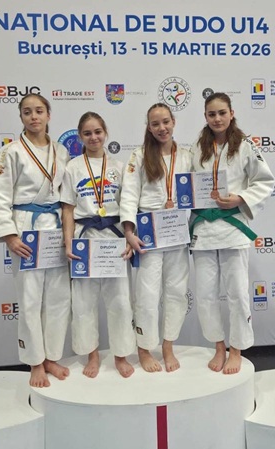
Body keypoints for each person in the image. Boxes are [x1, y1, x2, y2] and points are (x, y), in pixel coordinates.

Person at [190, 92, 274, 374]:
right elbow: (186, 184)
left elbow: (265, 181)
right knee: (205, 294)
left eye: (222, 113)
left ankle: (236, 349)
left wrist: (240, 198)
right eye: (212, 114)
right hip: (204, 229)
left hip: (233, 227)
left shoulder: (246, 146)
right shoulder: (196, 148)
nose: (217, 119)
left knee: (237, 292)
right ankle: (218, 346)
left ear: (231, 113)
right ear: (205, 117)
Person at [0, 93, 71, 387]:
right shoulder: (10, 152)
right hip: (26, 227)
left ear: (48, 114)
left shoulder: (61, 151)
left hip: (55, 227)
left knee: (59, 298)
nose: (34, 116)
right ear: (21, 117)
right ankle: (35, 361)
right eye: (27, 112)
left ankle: (51, 356)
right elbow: (0, 196)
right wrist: (10, 235)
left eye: (39, 111)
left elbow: (66, 196)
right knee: (30, 298)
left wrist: (69, 234)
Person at [62, 111, 136, 378]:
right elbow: (68, 209)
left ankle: (121, 355)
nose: (93, 137)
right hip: (85, 239)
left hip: (115, 237)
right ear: (80, 136)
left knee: (121, 302)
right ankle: (92, 355)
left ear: (105, 133)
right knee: (84, 303)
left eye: (97, 132)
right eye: (87, 133)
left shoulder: (119, 166)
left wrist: (130, 235)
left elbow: (129, 204)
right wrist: (68, 242)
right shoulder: (72, 168)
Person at [120, 104, 192, 373]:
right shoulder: (139, 156)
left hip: (177, 231)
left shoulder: (187, 155)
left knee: (176, 292)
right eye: (155, 124)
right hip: (148, 234)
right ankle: (144, 348)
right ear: (148, 127)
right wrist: (129, 232)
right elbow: (129, 195)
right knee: (147, 295)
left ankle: (168, 346)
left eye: (165, 122)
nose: (162, 128)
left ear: (174, 121)